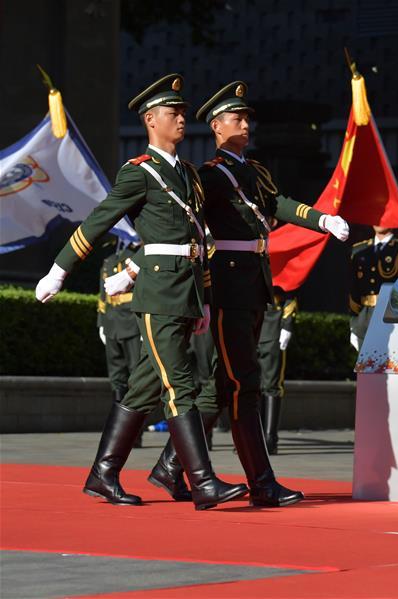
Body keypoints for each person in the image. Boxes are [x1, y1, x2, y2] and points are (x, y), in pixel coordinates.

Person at [35, 74, 248, 510]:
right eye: (174, 113)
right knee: (180, 384)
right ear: (152, 121)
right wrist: (59, 269)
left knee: (143, 387)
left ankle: (102, 474)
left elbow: (196, 239)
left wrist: (204, 297)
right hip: (158, 295)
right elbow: (97, 221)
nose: (183, 119)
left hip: (183, 290)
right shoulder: (138, 174)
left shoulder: (187, 173)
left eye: (184, 113)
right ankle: (203, 483)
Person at [144, 80, 350, 508]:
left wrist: (321, 220)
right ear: (217, 127)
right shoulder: (209, 175)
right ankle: (262, 482)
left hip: (253, 282)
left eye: (247, 118)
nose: (245, 124)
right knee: (244, 382)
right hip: (227, 283)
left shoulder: (254, 172)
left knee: (223, 386)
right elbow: (182, 224)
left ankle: (170, 466)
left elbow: (278, 203)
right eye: (237, 119)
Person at [97, 240, 144, 449]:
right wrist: (101, 322)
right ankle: (118, 431)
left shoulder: (139, 256)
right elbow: (102, 297)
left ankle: (135, 433)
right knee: (117, 379)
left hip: (133, 323)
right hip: (112, 325)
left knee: (136, 378)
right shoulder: (109, 260)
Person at [349, 225, 398, 350]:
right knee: (364, 362)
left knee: (387, 360)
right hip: (364, 313)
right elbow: (354, 286)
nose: (379, 222)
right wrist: (355, 317)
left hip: (389, 314)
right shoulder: (359, 249)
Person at [256, 286, 298, 454]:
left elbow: (291, 284)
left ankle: (269, 438)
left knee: (272, 384)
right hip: (251, 322)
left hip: (273, 321)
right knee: (251, 385)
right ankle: (253, 438)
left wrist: (287, 324)